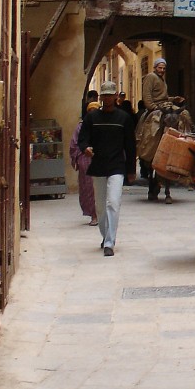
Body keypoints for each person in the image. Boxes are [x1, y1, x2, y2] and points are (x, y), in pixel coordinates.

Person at [78, 80, 137, 257]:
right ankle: (105, 236)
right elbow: (83, 138)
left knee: (113, 203)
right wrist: (85, 148)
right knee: (101, 207)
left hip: (117, 166)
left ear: (115, 96)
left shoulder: (123, 119)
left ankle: (110, 242)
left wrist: (131, 170)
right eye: (105, 95)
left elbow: (130, 145)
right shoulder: (92, 118)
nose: (107, 98)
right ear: (101, 97)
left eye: (110, 95)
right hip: (98, 166)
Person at [140, 57, 186, 204]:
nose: (162, 70)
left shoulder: (161, 79)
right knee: (153, 127)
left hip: (166, 105)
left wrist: (173, 99)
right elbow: (148, 98)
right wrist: (155, 108)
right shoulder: (150, 77)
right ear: (154, 68)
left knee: (184, 115)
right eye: (160, 67)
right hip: (156, 109)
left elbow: (163, 97)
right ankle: (150, 149)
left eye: (164, 68)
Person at [69, 101, 100, 225]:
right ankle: (93, 214)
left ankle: (102, 213)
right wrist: (79, 156)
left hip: (101, 160)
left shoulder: (102, 124)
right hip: (86, 161)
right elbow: (74, 144)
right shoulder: (81, 127)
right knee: (88, 188)